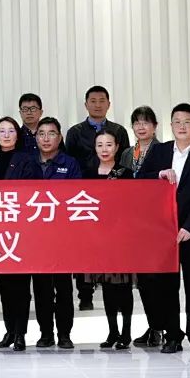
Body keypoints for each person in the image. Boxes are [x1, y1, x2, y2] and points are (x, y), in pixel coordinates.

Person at [139, 103, 190, 355]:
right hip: (164, 233)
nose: (181, 126)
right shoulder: (159, 151)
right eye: (177, 122)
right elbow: (140, 180)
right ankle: (172, 335)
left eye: (187, 122)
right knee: (167, 287)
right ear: (171, 125)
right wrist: (158, 174)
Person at [65, 86, 130, 310]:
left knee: (114, 242)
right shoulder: (75, 132)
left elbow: (125, 161)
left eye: (102, 100)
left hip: (114, 193)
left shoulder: (119, 131)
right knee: (85, 244)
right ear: (86, 104)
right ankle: (85, 294)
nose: (97, 105)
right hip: (85, 193)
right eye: (93, 101)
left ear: (108, 104)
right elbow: (70, 162)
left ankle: (115, 290)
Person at [0, 117, 42, 352]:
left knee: (20, 286)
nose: (6, 135)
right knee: (5, 285)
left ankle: (20, 333)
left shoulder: (27, 161)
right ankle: (9, 330)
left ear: (17, 136)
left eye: (11, 131)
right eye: (2, 131)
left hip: (21, 232)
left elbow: (33, 194)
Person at [84, 129, 136, 350]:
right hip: (97, 239)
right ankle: (112, 331)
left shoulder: (126, 173)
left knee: (123, 287)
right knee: (106, 288)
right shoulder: (88, 173)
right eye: (100, 145)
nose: (104, 149)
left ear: (116, 147)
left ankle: (126, 332)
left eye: (108, 145)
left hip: (121, 238)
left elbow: (131, 206)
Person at [32, 117, 80, 350]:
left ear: (59, 137)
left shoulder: (70, 164)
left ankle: (64, 334)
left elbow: (77, 197)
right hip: (36, 236)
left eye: (51, 133)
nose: (46, 138)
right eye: (41, 133)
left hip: (63, 237)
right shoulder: (27, 162)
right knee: (41, 288)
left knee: (63, 288)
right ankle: (45, 334)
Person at [121, 106, 163, 348]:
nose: (141, 127)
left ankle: (161, 326)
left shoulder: (164, 150)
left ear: (155, 126)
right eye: (136, 122)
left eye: (146, 122)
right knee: (142, 280)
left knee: (157, 278)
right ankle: (153, 325)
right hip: (132, 222)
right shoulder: (127, 153)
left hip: (156, 222)